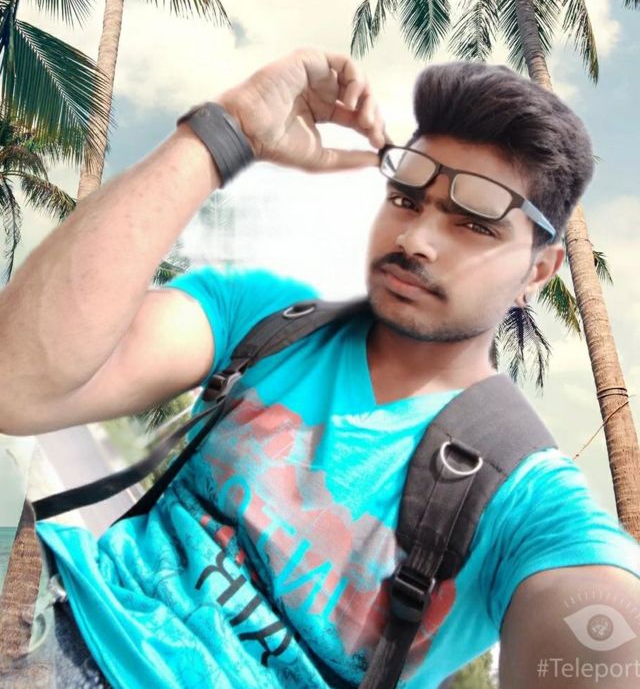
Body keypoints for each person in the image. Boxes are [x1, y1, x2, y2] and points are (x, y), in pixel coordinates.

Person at [1, 48, 639, 689]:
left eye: (473, 225)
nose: (415, 239)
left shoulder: (523, 496)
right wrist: (225, 131)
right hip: (55, 626)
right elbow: (14, 382)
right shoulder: (264, 317)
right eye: (406, 200)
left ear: (537, 270)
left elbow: (600, 619)